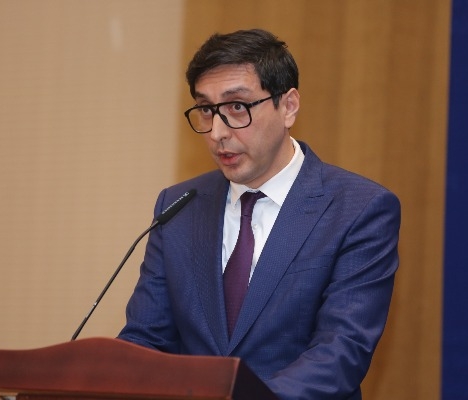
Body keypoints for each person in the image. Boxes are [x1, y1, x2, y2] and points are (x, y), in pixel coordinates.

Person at [118, 28, 400, 400]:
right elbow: (145, 340)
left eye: (237, 107)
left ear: (289, 106)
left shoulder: (359, 209)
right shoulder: (178, 206)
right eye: (207, 110)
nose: (217, 132)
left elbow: (340, 353)